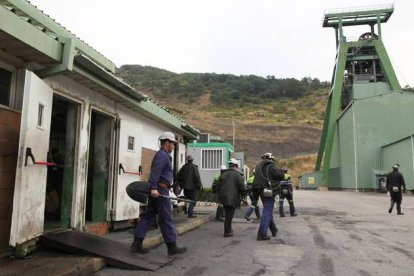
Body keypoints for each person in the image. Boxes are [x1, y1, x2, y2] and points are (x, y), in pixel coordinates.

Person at [131, 131, 187, 255]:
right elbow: (155, 172)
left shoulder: (164, 155)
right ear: (167, 142)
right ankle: (172, 247)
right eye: (173, 144)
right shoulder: (162, 155)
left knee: (148, 216)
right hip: (159, 190)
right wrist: (154, 188)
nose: (174, 146)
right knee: (166, 218)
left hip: (159, 189)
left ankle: (136, 244)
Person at [253, 152, 284, 241]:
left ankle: (274, 229)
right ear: (271, 159)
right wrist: (281, 171)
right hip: (268, 191)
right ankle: (261, 234)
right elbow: (280, 176)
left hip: (259, 190)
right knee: (267, 211)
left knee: (268, 210)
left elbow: (255, 181)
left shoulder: (258, 167)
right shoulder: (271, 166)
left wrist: (255, 196)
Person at [216, 158, 245, 237]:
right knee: (229, 215)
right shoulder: (238, 175)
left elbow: (217, 186)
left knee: (227, 214)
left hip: (223, 197)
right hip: (232, 198)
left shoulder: (223, 174)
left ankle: (229, 229)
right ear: (235, 166)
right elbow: (242, 187)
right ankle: (227, 231)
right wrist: (243, 195)